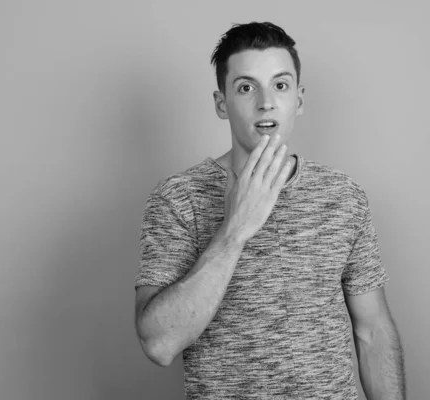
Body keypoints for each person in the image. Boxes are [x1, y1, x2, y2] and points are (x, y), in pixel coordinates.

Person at [134, 21, 406, 399]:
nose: (266, 101)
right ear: (220, 103)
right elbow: (159, 344)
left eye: (280, 85)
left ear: (299, 99)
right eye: (246, 87)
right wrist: (234, 230)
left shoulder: (343, 196)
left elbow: (373, 331)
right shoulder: (178, 198)